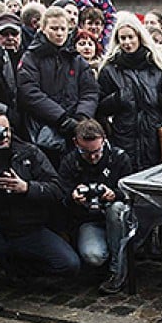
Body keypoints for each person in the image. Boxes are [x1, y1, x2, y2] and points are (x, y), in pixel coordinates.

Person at [0, 105, 81, 282]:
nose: (3, 135)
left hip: (28, 230)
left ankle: (17, 270)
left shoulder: (28, 152)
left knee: (69, 265)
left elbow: (57, 189)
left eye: (6, 130)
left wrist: (27, 188)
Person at [58, 119, 138, 294]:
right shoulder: (70, 162)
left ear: (104, 140)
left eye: (96, 152)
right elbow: (60, 196)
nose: (92, 158)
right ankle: (109, 256)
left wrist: (115, 194)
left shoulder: (119, 157)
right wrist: (73, 196)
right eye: (85, 152)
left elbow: (133, 192)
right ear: (75, 143)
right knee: (93, 256)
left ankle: (118, 271)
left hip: (119, 218)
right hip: (89, 221)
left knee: (116, 208)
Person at [97, 12, 162, 170]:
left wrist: (159, 97)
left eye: (130, 37)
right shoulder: (110, 70)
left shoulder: (155, 65)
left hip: (155, 137)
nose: (127, 42)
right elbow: (100, 107)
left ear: (139, 36)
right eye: (123, 38)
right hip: (124, 136)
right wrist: (118, 98)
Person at [18, 5, 99, 168]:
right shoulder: (31, 58)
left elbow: (90, 92)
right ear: (43, 28)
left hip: (76, 130)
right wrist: (61, 119)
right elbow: (29, 93)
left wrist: (80, 118)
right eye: (54, 28)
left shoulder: (77, 59)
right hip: (44, 130)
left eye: (63, 28)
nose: (59, 33)